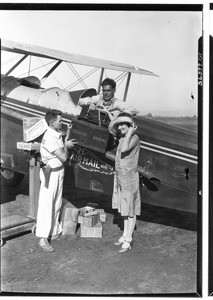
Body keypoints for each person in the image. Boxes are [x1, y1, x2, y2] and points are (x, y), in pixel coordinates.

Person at [36, 109, 77, 252]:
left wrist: (69, 133)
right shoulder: (50, 137)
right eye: (60, 121)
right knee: (47, 204)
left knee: (57, 202)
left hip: (59, 172)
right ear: (52, 123)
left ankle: (53, 231)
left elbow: (63, 144)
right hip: (51, 173)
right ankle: (42, 238)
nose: (62, 122)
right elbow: (64, 157)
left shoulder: (56, 133)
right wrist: (66, 146)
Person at [108, 112, 141, 253]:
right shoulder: (123, 138)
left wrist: (130, 132)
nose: (120, 127)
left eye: (124, 124)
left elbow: (126, 149)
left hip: (130, 178)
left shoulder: (133, 138)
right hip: (121, 176)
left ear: (130, 125)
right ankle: (125, 234)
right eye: (118, 124)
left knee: (131, 210)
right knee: (124, 209)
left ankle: (128, 240)